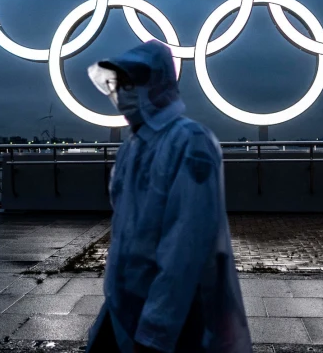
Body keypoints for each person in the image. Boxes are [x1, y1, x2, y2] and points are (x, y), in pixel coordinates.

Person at [85, 40, 251, 353]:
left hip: (177, 310)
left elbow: (186, 242)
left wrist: (156, 329)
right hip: (127, 303)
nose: (123, 93)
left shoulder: (190, 141)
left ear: (158, 83)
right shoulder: (132, 148)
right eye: (120, 84)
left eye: (132, 83)